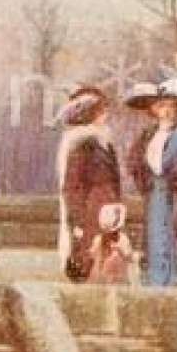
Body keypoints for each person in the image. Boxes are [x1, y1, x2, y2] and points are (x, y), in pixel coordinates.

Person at [126, 75, 177, 286]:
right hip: (154, 193)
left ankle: (175, 279)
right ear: (154, 110)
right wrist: (143, 176)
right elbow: (137, 161)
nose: (167, 111)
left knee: (175, 234)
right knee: (155, 235)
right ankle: (155, 280)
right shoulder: (148, 135)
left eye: (172, 106)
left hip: (174, 192)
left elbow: (175, 163)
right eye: (162, 106)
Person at [55, 86, 122, 282]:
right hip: (90, 210)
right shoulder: (81, 146)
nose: (105, 116)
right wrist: (77, 219)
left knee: (106, 255)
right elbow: (73, 187)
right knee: (88, 254)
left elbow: (114, 179)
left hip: (106, 208)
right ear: (89, 116)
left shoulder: (104, 143)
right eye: (100, 112)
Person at [88, 203, 134, 285]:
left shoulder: (123, 239)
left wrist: (121, 251)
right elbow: (92, 256)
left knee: (114, 257)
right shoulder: (98, 240)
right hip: (103, 278)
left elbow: (130, 258)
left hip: (119, 278)